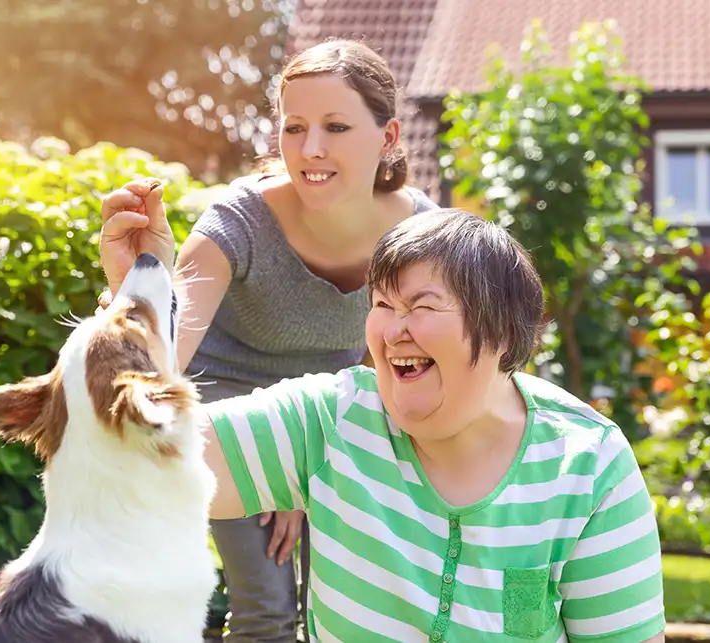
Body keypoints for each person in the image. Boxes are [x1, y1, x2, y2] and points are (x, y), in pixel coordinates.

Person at [105, 209, 668, 641]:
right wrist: (141, 297)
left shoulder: (589, 466)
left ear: (501, 331)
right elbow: (142, 458)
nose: (394, 329)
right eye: (382, 304)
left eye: (422, 306)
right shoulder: (331, 419)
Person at [96, 39, 439, 642]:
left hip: (339, 409)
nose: (311, 149)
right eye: (295, 127)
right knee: (270, 607)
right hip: (225, 405)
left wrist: (313, 463)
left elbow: (397, 357)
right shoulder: (239, 220)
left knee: (365, 609)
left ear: (387, 138)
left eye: (336, 127)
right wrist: (134, 287)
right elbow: (167, 352)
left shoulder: (419, 232)